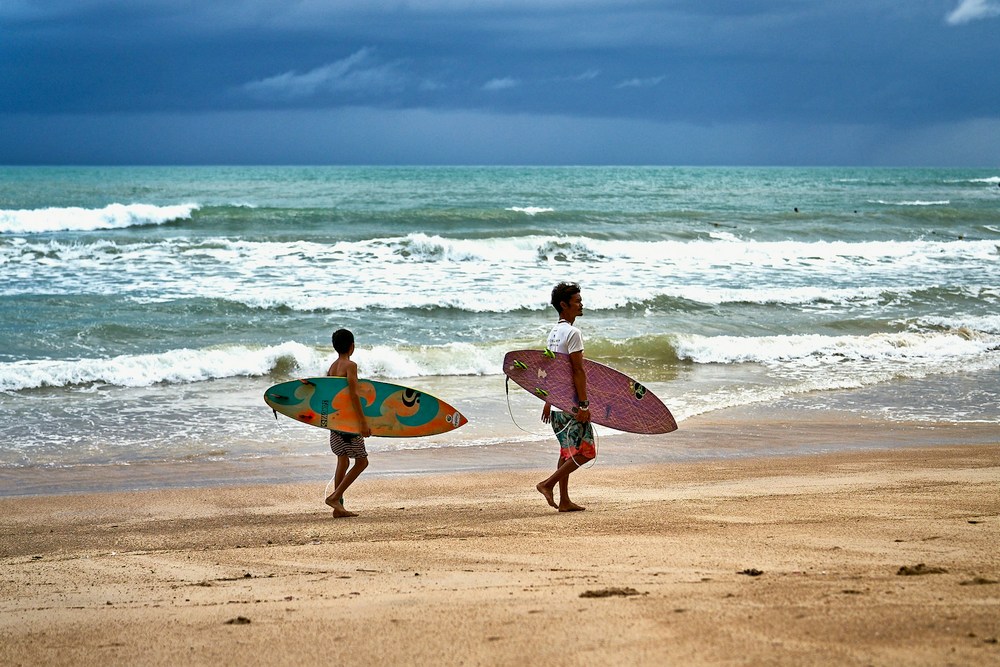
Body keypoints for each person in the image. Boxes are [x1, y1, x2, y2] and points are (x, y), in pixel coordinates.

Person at [536, 282, 596, 512]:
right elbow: (576, 371)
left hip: (558, 403)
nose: (581, 304)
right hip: (571, 404)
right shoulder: (573, 333)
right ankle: (547, 484)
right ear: (564, 305)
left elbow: (552, 370)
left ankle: (564, 501)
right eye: (577, 301)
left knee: (567, 453)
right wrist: (583, 404)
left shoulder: (554, 333)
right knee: (586, 452)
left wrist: (548, 400)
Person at [324, 328, 372, 518]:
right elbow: (354, 394)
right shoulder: (350, 365)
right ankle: (335, 497)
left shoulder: (332, 367)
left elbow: (327, 394)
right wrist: (362, 422)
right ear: (352, 346)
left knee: (342, 460)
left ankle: (339, 509)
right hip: (349, 423)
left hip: (336, 422)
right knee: (362, 462)